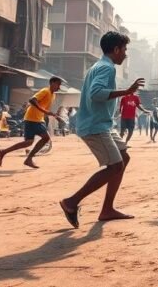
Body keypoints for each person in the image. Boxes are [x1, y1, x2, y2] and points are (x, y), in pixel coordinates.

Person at [59, 31, 145, 228]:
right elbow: (96, 94)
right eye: (124, 49)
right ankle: (71, 202)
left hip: (104, 124)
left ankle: (107, 209)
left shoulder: (100, 66)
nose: (125, 54)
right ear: (115, 50)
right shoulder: (107, 68)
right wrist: (127, 92)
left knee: (123, 158)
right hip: (95, 125)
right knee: (115, 166)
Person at [0, 77, 65, 168]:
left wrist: (56, 117)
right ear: (52, 83)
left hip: (37, 119)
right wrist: (45, 112)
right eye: (58, 84)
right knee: (44, 138)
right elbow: (32, 100)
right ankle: (27, 158)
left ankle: (3, 152)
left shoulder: (53, 95)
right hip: (33, 119)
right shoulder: (45, 91)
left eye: (60, 85)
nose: (59, 87)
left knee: (29, 142)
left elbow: (44, 108)